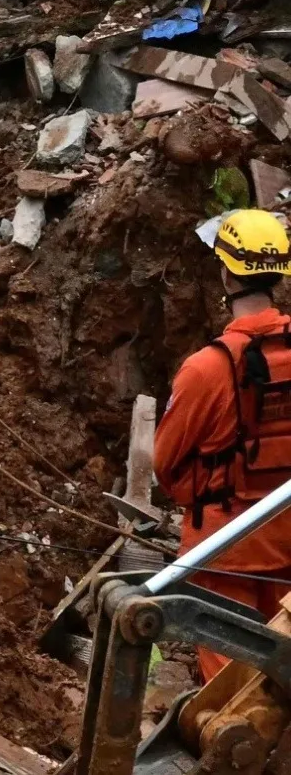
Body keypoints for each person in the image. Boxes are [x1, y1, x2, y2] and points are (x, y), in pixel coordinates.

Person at [154, 211, 291, 678]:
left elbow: (166, 465)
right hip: (287, 539)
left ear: (226, 273)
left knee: (231, 688)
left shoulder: (206, 369)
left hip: (222, 544)